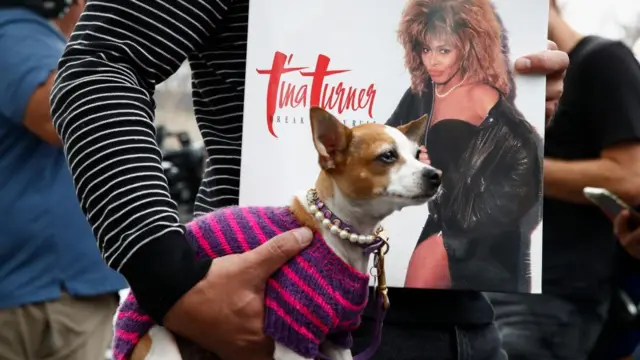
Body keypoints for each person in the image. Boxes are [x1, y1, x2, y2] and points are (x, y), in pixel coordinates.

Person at [49, 0, 568, 359]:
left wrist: (518, 94)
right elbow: (102, 61)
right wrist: (167, 275)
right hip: (256, 311)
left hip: (462, 320)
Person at [488, 1, 640, 359]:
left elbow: (630, 176)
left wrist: (509, 166)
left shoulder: (604, 60)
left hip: (557, 294)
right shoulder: (502, 79)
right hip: (495, 285)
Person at [0, 1, 127, 360]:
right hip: (39, 293)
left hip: (51, 286)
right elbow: (61, 115)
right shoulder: (15, 29)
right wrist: (97, 32)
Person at [389, 0, 543, 294]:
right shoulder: (423, 93)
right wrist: (411, 158)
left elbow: (528, 163)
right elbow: (387, 140)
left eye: (444, 50)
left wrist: (469, 221)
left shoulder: (479, 95)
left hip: (480, 241)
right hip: (443, 225)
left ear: (468, 47)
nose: (432, 60)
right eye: (426, 49)